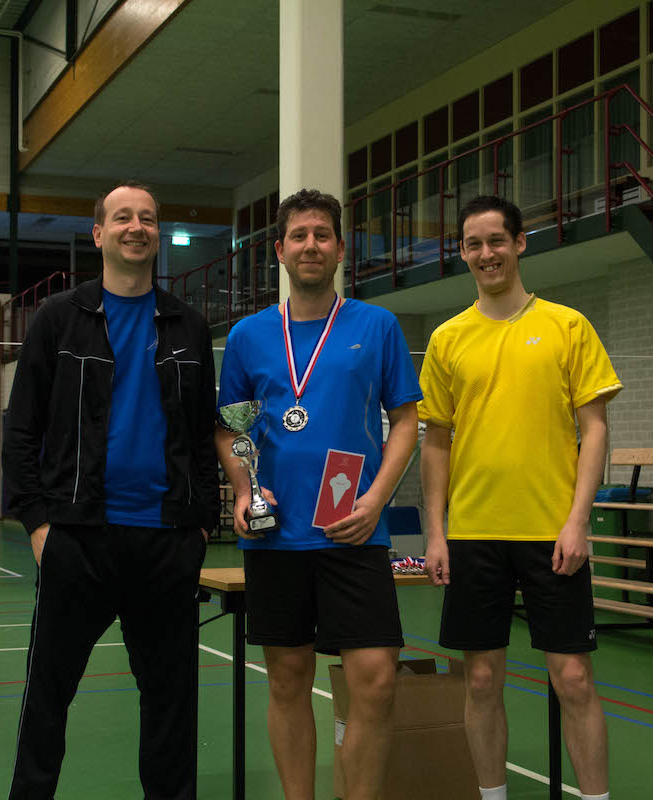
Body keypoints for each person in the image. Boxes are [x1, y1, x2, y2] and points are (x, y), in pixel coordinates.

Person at [3, 180, 219, 800]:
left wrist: (201, 525)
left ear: (157, 234)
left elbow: (202, 434)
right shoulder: (57, 319)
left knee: (171, 704)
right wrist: (39, 525)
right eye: (122, 217)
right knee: (47, 699)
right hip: (77, 542)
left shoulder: (188, 326)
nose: (136, 227)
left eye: (147, 218)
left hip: (166, 544)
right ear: (99, 233)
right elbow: (21, 430)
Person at [215, 188, 422, 800]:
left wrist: (376, 501)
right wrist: (244, 493)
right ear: (280, 250)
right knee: (287, 679)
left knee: (376, 680)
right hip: (277, 535)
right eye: (299, 235)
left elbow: (405, 421)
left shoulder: (377, 326)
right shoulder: (249, 335)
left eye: (322, 235)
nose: (311, 245)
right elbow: (230, 428)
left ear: (340, 250)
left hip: (354, 530)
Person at [419, 195, 622, 800]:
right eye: (473, 244)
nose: (486, 254)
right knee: (481, 679)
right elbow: (435, 442)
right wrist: (436, 533)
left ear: (519, 243)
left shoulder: (567, 326)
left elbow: (595, 430)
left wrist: (578, 521)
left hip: (552, 533)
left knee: (575, 678)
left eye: (496, 241)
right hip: (473, 534)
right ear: (462, 253)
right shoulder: (448, 338)